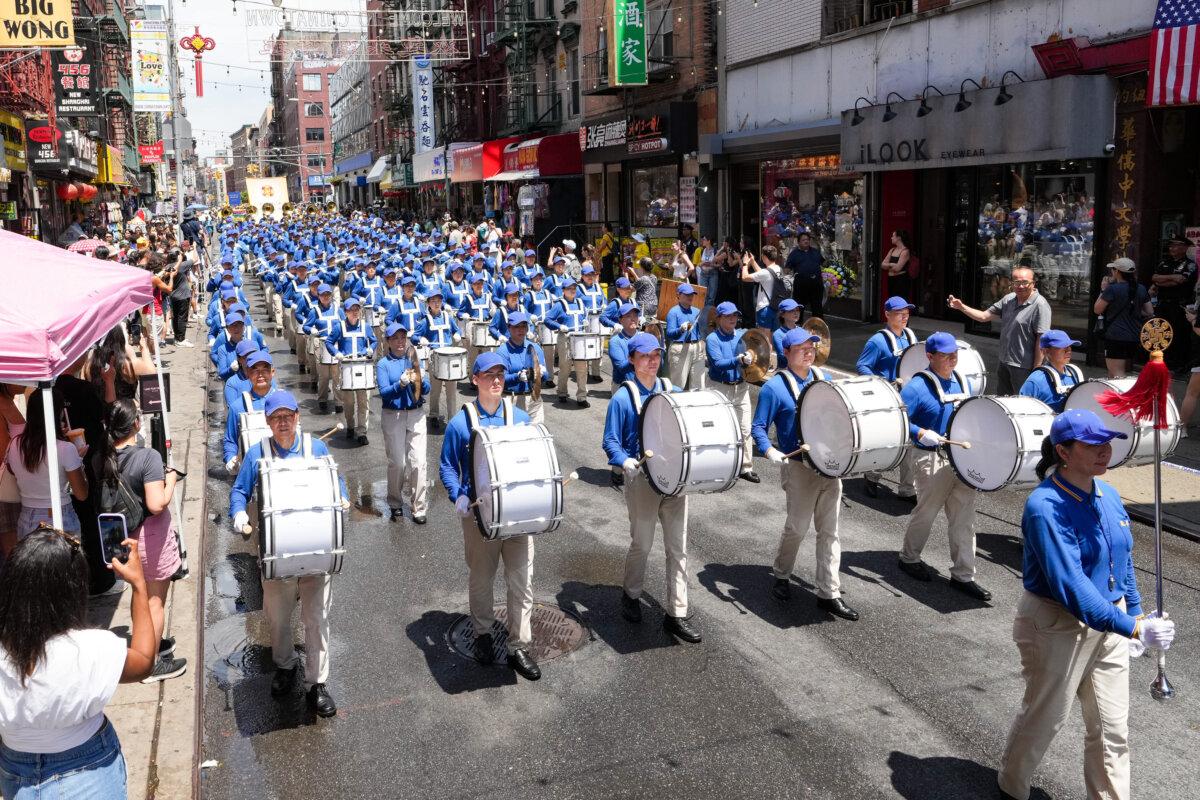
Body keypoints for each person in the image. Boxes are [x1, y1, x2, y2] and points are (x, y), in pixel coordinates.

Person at [996, 409, 1177, 800]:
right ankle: (1011, 787)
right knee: (1046, 718)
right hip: (1054, 624)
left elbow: (1122, 559)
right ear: (1063, 451)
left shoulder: (1108, 495)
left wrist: (1136, 611)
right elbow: (1072, 588)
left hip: (1108, 626)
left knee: (1113, 729)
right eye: (1092, 444)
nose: (1105, 451)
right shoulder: (1045, 507)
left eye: (1107, 442)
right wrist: (1132, 628)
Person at [0, 529, 156, 798]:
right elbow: (143, 662)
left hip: (14, 771)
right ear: (72, 591)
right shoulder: (90, 648)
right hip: (87, 771)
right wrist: (139, 586)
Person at [230, 391, 347, 717]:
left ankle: (316, 683)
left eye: (289, 416)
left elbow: (336, 482)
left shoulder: (316, 448)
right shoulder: (257, 454)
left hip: (316, 550)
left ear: (298, 416)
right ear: (267, 422)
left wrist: (343, 496)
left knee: (316, 620)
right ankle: (285, 665)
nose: (284, 423)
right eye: (276, 417)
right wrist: (239, 514)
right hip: (276, 554)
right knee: (279, 620)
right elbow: (239, 491)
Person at [438, 354, 542, 681]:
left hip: (516, 513)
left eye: (500, 374)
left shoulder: (521, 418)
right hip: (479, 515)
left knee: (521, 581)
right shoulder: (460, 422)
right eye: (488, 375)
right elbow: (446, 466)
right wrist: (459, 494)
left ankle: (518, 646)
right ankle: (482, 633)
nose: (496, 380)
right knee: (482, 577)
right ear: (475, 379)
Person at [751, 328, 859, 621]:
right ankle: (782, 575)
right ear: (787, 353)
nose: (810, 352)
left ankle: (829, 593)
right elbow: (758, 427)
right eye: (802, 348)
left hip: (829, 466)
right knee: (796, 529)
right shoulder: (775, 387)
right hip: (798, 467)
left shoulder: (823, 380)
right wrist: (768, 449)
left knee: (830, 532)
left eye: (812, 347)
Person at [603, 333, 702, 643]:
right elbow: (610, 440)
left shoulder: (669, 389)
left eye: (656, 355)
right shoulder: (623, 396)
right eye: (645, 356)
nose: (653, 360)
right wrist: (623, 461)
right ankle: (631, 595)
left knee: (678, 549)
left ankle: (677, 613)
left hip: (674, 482)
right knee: (642, 545)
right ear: (632, 360)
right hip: (643, 482)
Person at [895, 333, 990, 601]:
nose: (953, 358)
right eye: (946, 354)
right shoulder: (915, 387)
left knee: (964, 518)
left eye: (954, 354)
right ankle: (909, 558)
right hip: (930, 457)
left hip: (960, 459)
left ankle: (963, 575)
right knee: (926, 512)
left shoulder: (961, 380)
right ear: (929, 356)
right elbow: (899, 419)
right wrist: (920, 432)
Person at [99, 399, 188, 683]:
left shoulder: (100, 455)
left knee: (139, 596)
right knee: (154, 601)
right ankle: (151, 663)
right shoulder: (147, 457)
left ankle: (147, 643)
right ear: (136, 424)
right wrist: (171, 480)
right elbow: (156, 503)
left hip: (120, 538)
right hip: (150, 539)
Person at [948, 265, 1052, 395]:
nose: (1020, 286)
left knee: (1023, 404)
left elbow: (1041, 340)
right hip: (1004, 362)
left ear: (1033, 283)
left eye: (1025, 282)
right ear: (1011, 283)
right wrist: (961, 307)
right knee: (1003, 402)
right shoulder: (1009, 299)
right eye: (1016, 282)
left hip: (1024, 367)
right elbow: (983, 316)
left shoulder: (1040, 305)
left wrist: (1037, 370)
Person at [855, 296, 919, 500]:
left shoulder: (910, 336)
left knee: (910, 442)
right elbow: (862, 366)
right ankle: (872, 476)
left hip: (909, 396)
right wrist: (882, 382)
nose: (904, 316)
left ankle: (908, 488)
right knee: (888, 439)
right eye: (900, 313)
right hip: (888, 396)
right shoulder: (877, 340)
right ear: (887, 314)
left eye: (907, 312)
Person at [5, 389, 88, 539]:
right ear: (57, 414)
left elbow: (15, 472)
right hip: (60, 517)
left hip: (27, 518)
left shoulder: (14, 444)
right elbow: (82, 494)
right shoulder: (66, 449)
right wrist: (79, 459)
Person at [376, 322, 431, 524]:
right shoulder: (383, 364)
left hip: (416, 414)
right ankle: (395, 502)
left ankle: (419, 507)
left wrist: (421, 380)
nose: (400, 342)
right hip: (394, 415)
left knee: (419, 462)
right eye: (395, 338)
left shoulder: (414, 359)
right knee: (398, 463)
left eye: (403, 337)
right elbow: (384, 393)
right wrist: (400, 384)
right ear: (388, 341)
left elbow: (425, 389)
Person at [705, 302, 759, 483]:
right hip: (719, 387)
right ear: (719, 318)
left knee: (745, 428)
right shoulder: (713, 339)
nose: (732, 319)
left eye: (735, 316)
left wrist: (754, 358)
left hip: (741, 387)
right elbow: (718, 363)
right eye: (728, 316)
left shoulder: (743, 335)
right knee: (719, 428)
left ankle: (745, 467)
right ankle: (717, 465)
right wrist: (738, 359)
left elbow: (757, 350)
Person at [326, 297, 378, 446]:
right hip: (347, 368)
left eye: (357, 310)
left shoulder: (365, 326)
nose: (355, 313)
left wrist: (370, 349)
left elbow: (374, 340)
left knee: (364, 402)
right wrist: (336, 353)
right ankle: (350, 425)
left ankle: (362, 432)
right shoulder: (339, 327)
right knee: (348, 402)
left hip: (362, 366)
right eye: (351, 310)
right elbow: (329, 342)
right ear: (346, 312)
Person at [413, 288, 464, 431]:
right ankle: (434, 414)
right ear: (428, 303)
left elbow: (456, 330)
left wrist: (457, 334)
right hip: (434, 358)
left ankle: (452, 417)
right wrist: (420, 338)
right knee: (435, 390)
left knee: (451, 390)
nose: (436, 303)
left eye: (439, 300)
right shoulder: (425, 321)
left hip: (449, 358)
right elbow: (414, 336)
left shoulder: (448, 317)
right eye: (433, 301)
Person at [1094, 257, 1153, 378]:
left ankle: (1124, 396)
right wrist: (1134, 310)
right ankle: (1115, 396)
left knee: (1117, 374)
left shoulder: (1112, 289)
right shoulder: (1141, 288)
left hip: (1116, 336)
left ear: (1117, 272)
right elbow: (1149, 312)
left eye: (1113, 269)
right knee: (1114, 372)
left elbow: (1097, 309)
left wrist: (1103, 289)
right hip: (1134, 336)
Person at [221, 351, 278, 473]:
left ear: (273, 372)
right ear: (247, 373)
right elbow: (230, 440)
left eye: (265, 369)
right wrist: (230, 459)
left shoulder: (284, 402)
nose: (260, 375)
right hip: (249, 471)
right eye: (255, 370)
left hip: (279, 468)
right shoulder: (238, 406)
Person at [1150, 236, 1197, 373]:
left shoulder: (1190, 265)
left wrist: (1164, 280)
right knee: (1162, 333)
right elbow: (1155, 279)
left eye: (1176, 245)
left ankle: (1178, 364)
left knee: (1178, 334)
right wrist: (1172, 278)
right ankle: (1163, 361)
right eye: (1171, 246)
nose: (1172, 248)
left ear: (1184, 247)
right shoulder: (1165, 263)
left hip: (1179, 305)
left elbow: (1181, 280)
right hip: (1163, 304)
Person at [543, 278, 590, 408]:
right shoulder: (559, 304)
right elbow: (547, 319)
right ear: (563, 290)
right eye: (569, 288)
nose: (572, 290)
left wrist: (585, 321)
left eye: (574, 288)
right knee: (565, 367)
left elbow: (584, 316)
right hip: (565, 338)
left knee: (582, 368)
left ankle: (581, 396)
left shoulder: (580, 302)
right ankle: (562, 392)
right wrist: (559, 326)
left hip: (579, 338)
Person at [496, 312, 549, 424]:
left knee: (537, 435)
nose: (521, 330)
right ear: (509, 328)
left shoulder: (535, 347)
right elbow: (501, 380)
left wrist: (542, 373)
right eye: (516, 326)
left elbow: (546, 377)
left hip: (533, 399)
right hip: (511, 400)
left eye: (524, 326)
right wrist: (518, 376)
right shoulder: (502, 351)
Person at [1018, 330, 1085, 413]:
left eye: (1069, 346)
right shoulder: (1035, 381)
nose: (1068, 350)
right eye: (1062, 346)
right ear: (1046, 351)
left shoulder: (1075, 375)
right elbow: (1022, 411)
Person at [664, 283, 704, 389]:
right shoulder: (673, 312)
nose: (690, 297)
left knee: (699, 386)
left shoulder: (697, 311)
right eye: (687, 295)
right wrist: (680, 329)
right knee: (678, 385)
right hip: (680, 348)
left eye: (692, 294)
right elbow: (669, 334)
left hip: (697, 347)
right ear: (678, 295)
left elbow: (702, 331)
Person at [740, 245, 782, 333]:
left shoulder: (765, 273)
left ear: (764, 257)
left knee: (765, 340)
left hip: (765, 309)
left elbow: (744, 277)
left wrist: (745, 263)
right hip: (776, 307)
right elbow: (762, 274)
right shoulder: (778, 269)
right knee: (774, 336)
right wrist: (752, 261)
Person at [785, 232, 824, 321]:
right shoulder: (794, 254)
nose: (806, 241)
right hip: (801, 286)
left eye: (807, 240)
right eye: (803, 240)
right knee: (799, 307)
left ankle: (818, 328)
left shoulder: (815, 252)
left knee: (817, 307)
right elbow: (787, 269)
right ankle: (797, 327)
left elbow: (823, 263)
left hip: (816, 285)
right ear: (799, 242)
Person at [881, 229, 913, 302]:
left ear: (899, 238)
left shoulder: (905, 251)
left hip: (901, 280)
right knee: (892, 303)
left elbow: (898, 268)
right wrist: (892, 264)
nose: (891, 238)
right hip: (891, 280)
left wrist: (888, 265)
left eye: (893, 236)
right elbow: (882, 265)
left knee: (900, 304)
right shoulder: (892, 250)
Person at [771, 299, 803, 365]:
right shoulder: (778, 334)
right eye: (791, 310)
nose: (796, 313)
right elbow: (784, 356)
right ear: (782, 315)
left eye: (797, 310)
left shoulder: (802, 330)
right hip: (785, 371)